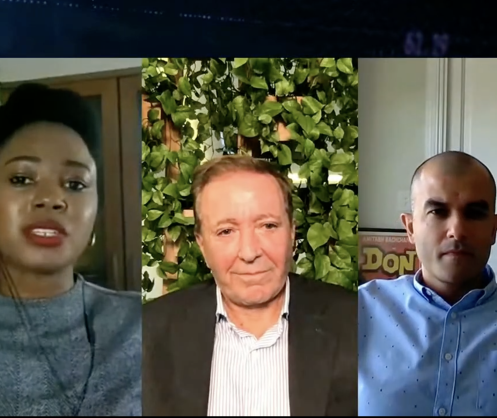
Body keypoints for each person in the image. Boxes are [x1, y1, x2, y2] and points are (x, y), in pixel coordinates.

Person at [143, 155, 358, 416]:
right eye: (226, 231)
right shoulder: (147, 334)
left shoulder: (356, 323)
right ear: (202, 244)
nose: (249, 252)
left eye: (268, 226)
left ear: (292, 233)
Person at [0, 83, 141, 416]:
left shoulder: (143, 324)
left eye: (75, 184)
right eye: (22, 179)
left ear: (96, 213)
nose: (52, 198)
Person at [359, 151, 497, 416]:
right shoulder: (359, 312)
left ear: (493, 229)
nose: (457, 231)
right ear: (410, 228)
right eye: (437, 212)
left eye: (474, 213)